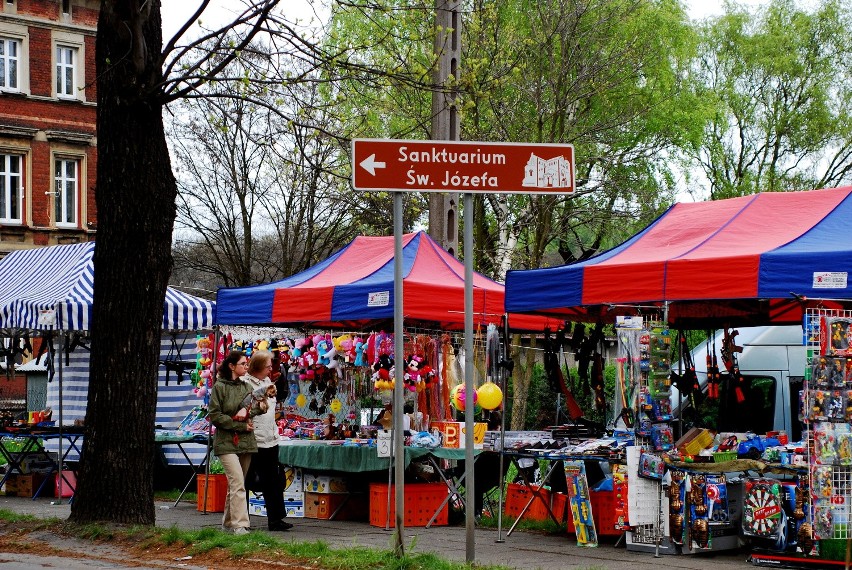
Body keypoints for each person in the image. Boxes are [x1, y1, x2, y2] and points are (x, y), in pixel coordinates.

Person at [207, 350, 257, 535]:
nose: (246, 366)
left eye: (247, 363)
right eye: (243, 363)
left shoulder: (247, 386)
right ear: (231, 366)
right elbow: (215, 415)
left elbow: (255, 408)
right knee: (237, 482)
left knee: (236, 484)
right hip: (226, 442)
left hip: (245, 442)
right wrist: (238, 424)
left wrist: (255, 408)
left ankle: (228, 523)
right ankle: (240, 525)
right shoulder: (219, 387)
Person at [243, 350, 292, 532]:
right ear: (258, 367)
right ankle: (242, 521)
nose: (271, 368)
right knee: (246, 480)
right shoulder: (245, 384)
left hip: (270, 438)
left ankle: (276, 519)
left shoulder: (268, 383)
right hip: (252, 439)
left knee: (274, 479)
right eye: (268, 365)